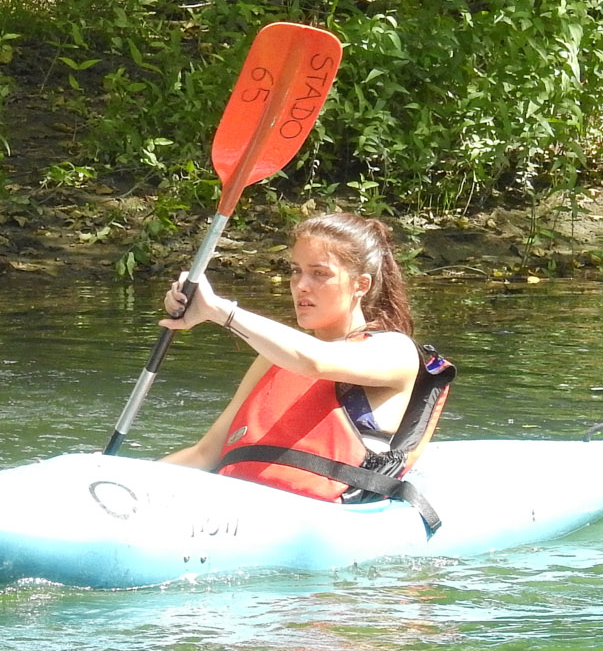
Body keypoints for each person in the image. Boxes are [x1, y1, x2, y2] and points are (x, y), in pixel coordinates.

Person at [158, 212, 453, 526]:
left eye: (319, 274)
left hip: (319, 521)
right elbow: (205, 454)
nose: (301, 286)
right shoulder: (274, 357)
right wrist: (118, 478)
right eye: (295, 271)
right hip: (241, 507)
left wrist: (218, 310)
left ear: (360, 285)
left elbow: (315, 362)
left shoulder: (394, 350)